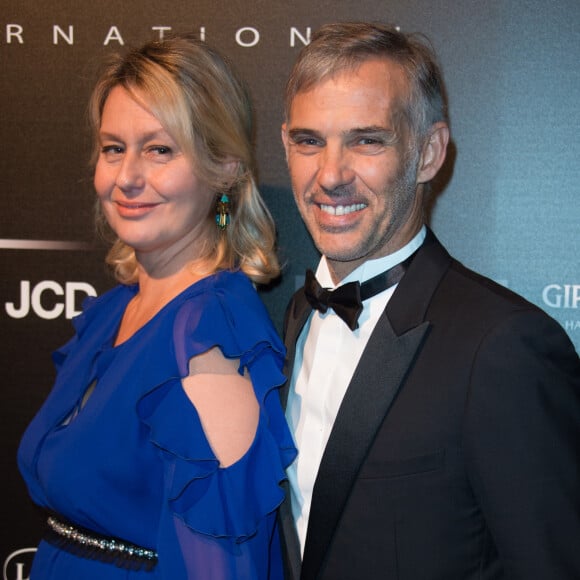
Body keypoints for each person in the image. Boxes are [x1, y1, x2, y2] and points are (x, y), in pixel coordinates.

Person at [279, 21, 580, 580]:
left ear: (428, 153)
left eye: (367, 140)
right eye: (309, 141)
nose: (330, 175)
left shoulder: (501, 347)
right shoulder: (293, 316)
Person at [18, 34, 296, 579]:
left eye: (160, 149)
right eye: (113, 148)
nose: (127, 177)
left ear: (225, 170)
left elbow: (223, 565)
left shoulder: (210, 330)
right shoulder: (112, 312)